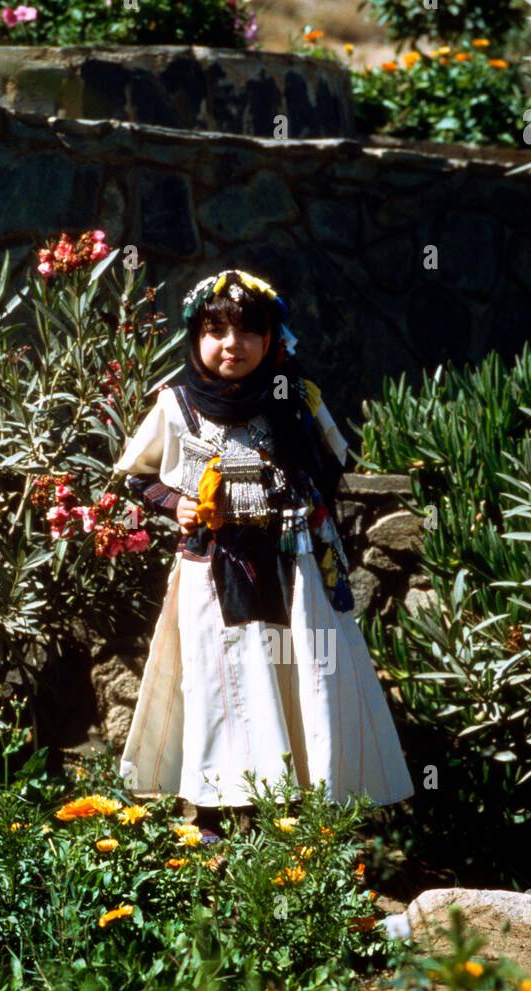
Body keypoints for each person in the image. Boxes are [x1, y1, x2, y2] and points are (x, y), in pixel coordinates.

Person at [110, 267, 414, 835]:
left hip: (296, 568)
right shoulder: (177, 405)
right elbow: (137, 476)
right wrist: (175, 502)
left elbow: (334, 462)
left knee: (302, 674)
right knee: (221, 680)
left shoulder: (294, 396)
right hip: (213, 570)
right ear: (196, 337)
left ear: (273, 337)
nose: (232, 344)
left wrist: (284, 488)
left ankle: (304, 815)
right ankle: (215, 814)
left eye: (250, 331)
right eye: (216, 330)